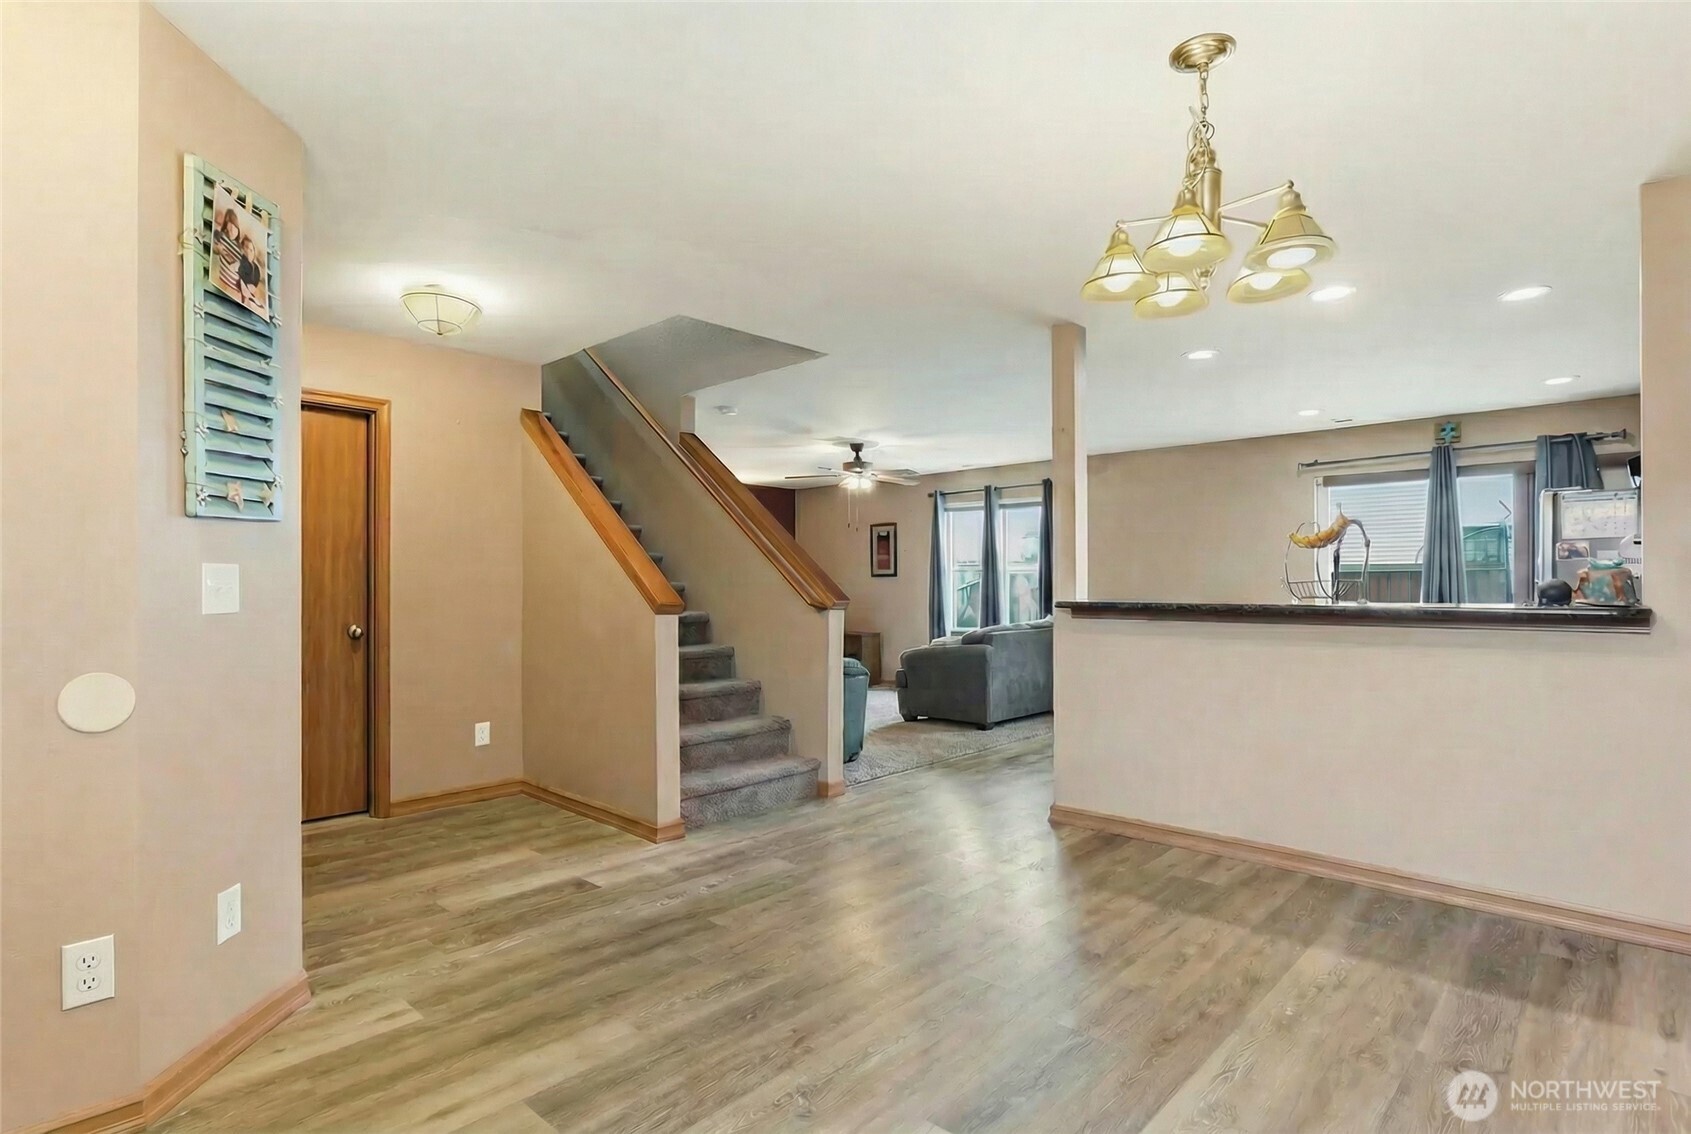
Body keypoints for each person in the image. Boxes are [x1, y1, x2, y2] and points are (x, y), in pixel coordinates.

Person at [214, 208, 243, 298]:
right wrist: (217, 249)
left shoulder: (240, 248)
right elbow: (215, 236)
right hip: (222, 282)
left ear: (237, 228)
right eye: (228, 228)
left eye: (234, 228)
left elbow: (244, 265)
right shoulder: (221, 237)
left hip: (235, 287)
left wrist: (238, 264)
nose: (231, 232)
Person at [238, 232, 266, 313]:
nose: (250, 252)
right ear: (243, 250)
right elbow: (240, 274)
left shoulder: (256, 268)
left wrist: (253, 287)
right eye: (247, 249)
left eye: (252, 250)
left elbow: (256, 280)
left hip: (252, 292)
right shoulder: (242, 262)